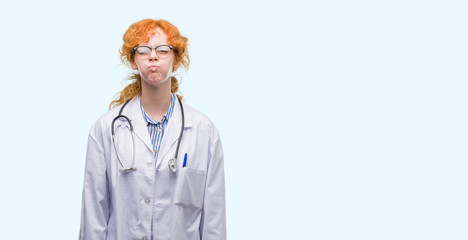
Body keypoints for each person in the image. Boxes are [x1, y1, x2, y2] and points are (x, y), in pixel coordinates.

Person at [79, 19, 226, 240]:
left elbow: (214, 219)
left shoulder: (204, 132)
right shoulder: (105, 129)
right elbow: (93, 216)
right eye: (143, 50)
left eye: (163, 49)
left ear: (176, 60)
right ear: (132, 60)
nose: (153, 56)